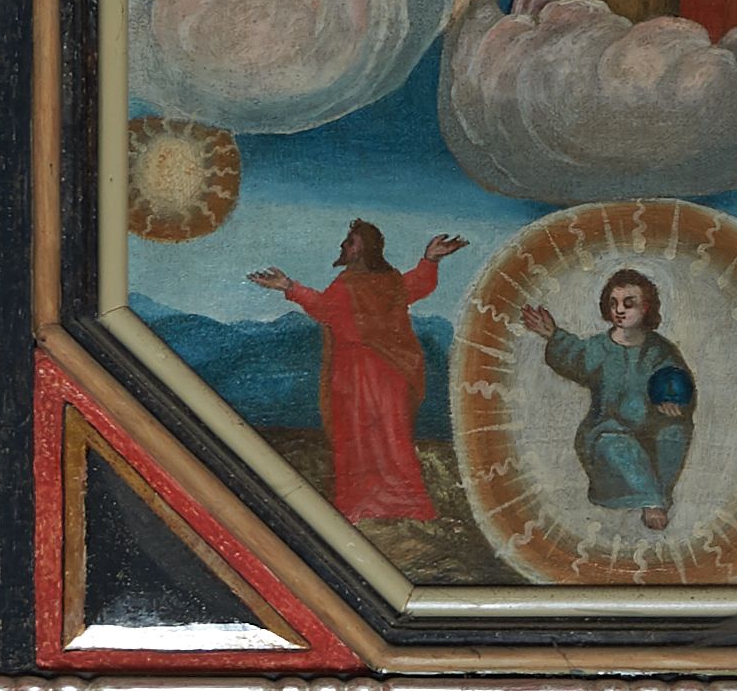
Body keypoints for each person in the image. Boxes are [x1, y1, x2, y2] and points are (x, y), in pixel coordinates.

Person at [250, 221, 467, 522]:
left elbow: (325, 308)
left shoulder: (359, 284)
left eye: (350, 242)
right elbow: (414, 285)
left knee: (373, 438)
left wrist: (289, 287)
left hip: (363, 375)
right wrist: (429, 260)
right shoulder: (373, 282)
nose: (344, 245)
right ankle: (392, 505)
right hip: (385, 374)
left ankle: (385, 505)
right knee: (379, 438)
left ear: (364, 249)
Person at [521, 268, 694, 531]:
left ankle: (656, 496)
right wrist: (553, 335)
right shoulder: (599, 348)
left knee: (675, 433)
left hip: (650, 430)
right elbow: (575, 356)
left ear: (646, 307)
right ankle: (651, 501)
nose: (619, 310)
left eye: (629, 303)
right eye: (614, 303)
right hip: (608, 430)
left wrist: (674, 402)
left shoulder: (660, 350)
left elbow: (677, 381)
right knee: (618, 446)